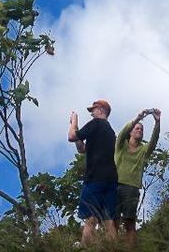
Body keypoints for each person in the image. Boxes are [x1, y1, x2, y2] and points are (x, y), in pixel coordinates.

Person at [68, 99, 118, 245]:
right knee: (109, 221)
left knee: (90, 219)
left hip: (95, 179)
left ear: (101, 110)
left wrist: (73, 122)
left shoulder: (96, 123)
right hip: (111, 181)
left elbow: (71, 137)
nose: (91, 114)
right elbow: (82, 149)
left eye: (93, 110)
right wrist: (78, 134)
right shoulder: (110, 132)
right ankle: (115, 249)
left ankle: (85, 248)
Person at [115, 107, 161, 247]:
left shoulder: (143, 149)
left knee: (129, 223)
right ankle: (111, 248)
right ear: (130, 132)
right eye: (137, 128)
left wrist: (157, 122)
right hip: (114, 185)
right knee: (113, 222)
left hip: (132, 188)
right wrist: (138, 118)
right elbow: (123, 131)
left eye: (141, 129)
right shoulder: (120, 145)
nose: (140, 130)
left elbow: (153, 141)